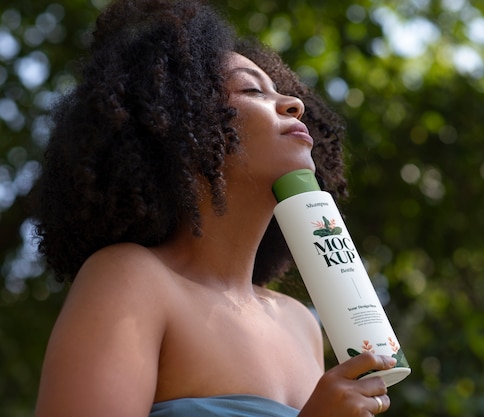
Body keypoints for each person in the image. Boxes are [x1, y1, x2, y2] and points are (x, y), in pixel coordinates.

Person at [32, 0, 397, 416]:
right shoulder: (130, 279)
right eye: (252, 90)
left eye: (283, 91)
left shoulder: (301, 323)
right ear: (181, 125)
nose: (293, 104)